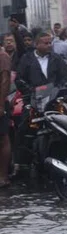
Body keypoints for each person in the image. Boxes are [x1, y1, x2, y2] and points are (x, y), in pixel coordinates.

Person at [0, 44, 10, 188]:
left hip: (0, 101)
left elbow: (5, 81)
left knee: (2, 138)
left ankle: (3, 176)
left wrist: (1, 104)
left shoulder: (2, 56)